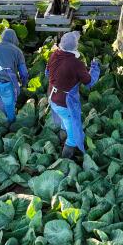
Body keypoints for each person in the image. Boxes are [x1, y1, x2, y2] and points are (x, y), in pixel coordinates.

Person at [47, 31, 101, 162]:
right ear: (75, 46)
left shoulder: (54, 54)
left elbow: (47, 72)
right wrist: (95, 67)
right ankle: (65, 159)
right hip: (64, 102)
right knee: (73, 133)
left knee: (64, 120)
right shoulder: (76, 63)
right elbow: (89, 82)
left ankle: (61, 136)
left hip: (52, 97)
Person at [0, 28, 29, 126]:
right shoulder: (17, 51)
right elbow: (23, 73)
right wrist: (24, 84)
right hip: (4, 84)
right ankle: (11, 125)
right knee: (9, 105)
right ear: (14, 39)